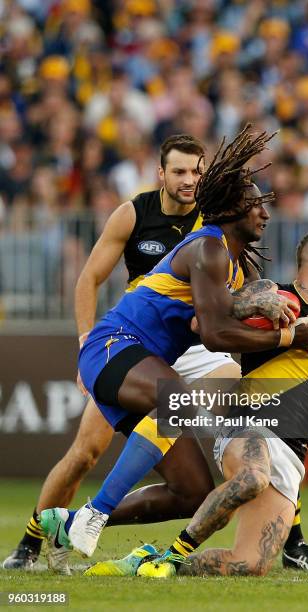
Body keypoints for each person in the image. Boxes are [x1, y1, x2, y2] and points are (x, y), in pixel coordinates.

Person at [38, 126, 308, 566]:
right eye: (255, 205)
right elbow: (213, 334)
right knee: (173, 403)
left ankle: (68, 522)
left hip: (145, 363)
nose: (264, 214)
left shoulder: (228, 265)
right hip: (114, 346)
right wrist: (287, 334)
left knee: (190, 492)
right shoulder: (208, 248)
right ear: (231, 208)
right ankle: (92, 515)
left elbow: (205, 323)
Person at [3, 133, 241, 573]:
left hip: (192, 343)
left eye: (197, 172)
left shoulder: (215, 222)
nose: (190, 180)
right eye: (180, 172)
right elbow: (88, 279)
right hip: (134, 342)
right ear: (161, 174)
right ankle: (32, 541)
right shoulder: (134, 213)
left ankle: (290, 529)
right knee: (85, 453)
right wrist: (83, 345)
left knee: (238, 397)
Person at [98, 230, 308, 578]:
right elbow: (212, 318)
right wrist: (251, 307)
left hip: (291, 455)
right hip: (247, 428)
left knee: (249, 564)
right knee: (252, 476)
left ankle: (148, 559)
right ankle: (172, 557)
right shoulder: (269, 292)